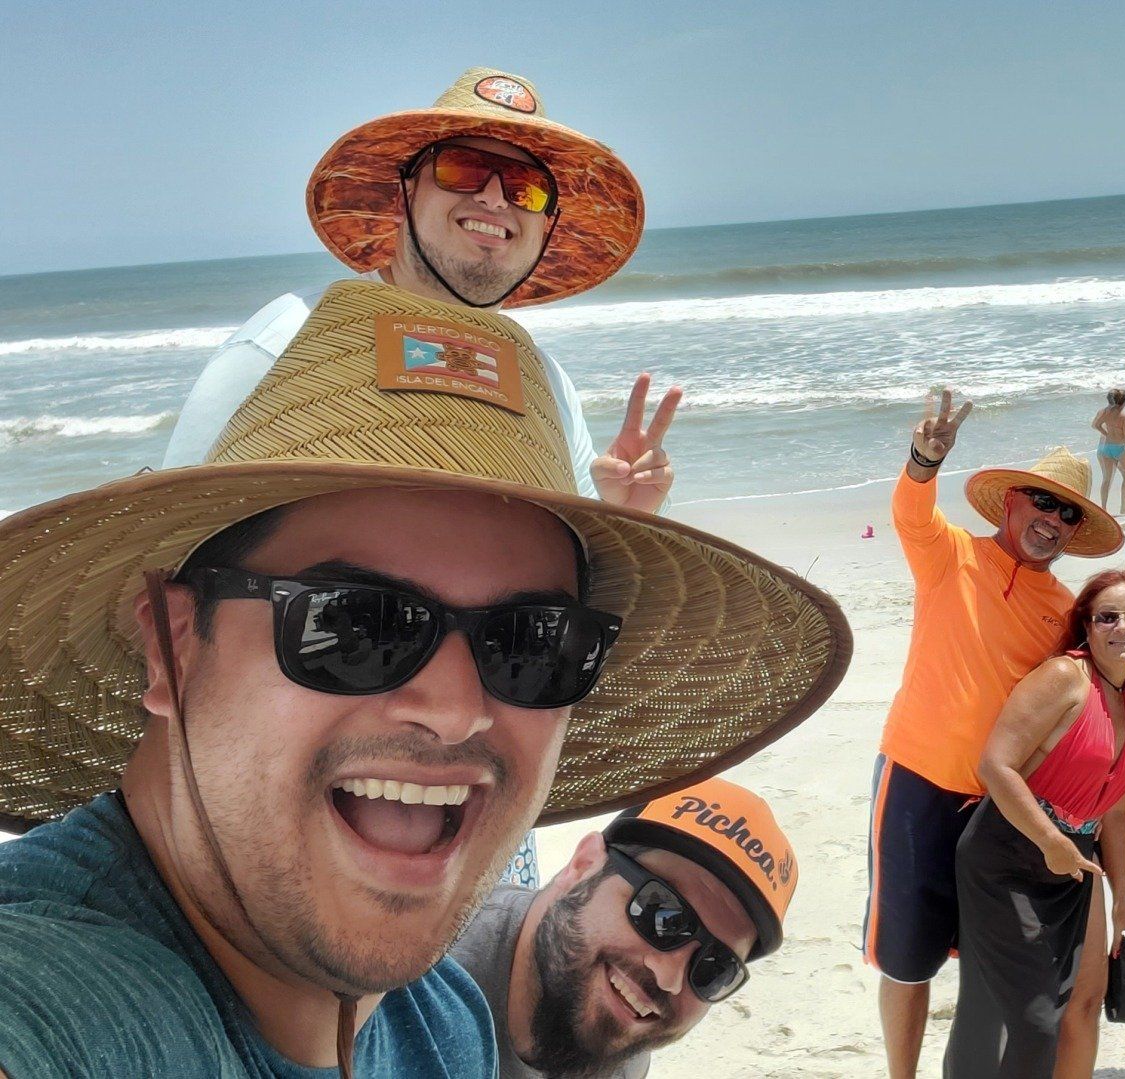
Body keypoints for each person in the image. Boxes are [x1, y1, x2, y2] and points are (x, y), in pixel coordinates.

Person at [0, 282, 849, 1076]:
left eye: (532, 643)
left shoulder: (442, 1020)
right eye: (359, 624)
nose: (454, 709)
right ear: (174, 647)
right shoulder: (58, 995)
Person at [163, 67, 674, 888]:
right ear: (404, 190)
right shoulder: (289, 345)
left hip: (471, 777)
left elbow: (544, 602)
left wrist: (616, 510)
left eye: (529, 190)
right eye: (467, 169)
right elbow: (175, 547)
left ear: (544, 228)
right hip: (303, 754)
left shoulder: (542, 384)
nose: (497, 199)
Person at [867, 391, 1124, 1079]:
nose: (1052, 520)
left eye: (1067, 513)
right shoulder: (950, 555)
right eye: (1042, 502)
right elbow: (910, 512)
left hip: (1000, 808)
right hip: (916, 779)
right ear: (1011, 502)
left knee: (986, 963)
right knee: (907, 958)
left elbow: (1088, 695)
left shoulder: (1065, 612)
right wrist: (925, 459)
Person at [946, 569, 1125, 1079]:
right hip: (1009, 854)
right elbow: (996, 765)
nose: (1122, 627)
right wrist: (1050, 841)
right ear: (1087, 627)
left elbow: (1114, 811)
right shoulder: (1065, 677)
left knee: (1075, 1004)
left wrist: (1122, 900)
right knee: (1030, 1022)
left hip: (1074, 859)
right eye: (1107, 617)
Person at [450, 777, 798, 1079]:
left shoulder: (620, 1031)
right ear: (584, 865)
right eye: (662, 914)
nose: (669, 979)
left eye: (714, 967)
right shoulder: (429, 979)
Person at [1091, 389, 1125, 516]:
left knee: (1106, 479)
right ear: (1124, 402)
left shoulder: (1105, 412)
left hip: (1106, 447)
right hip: (1119, 448)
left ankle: (1103, 508)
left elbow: (1096, 425)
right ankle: (1123, 508)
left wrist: (1106, 433)